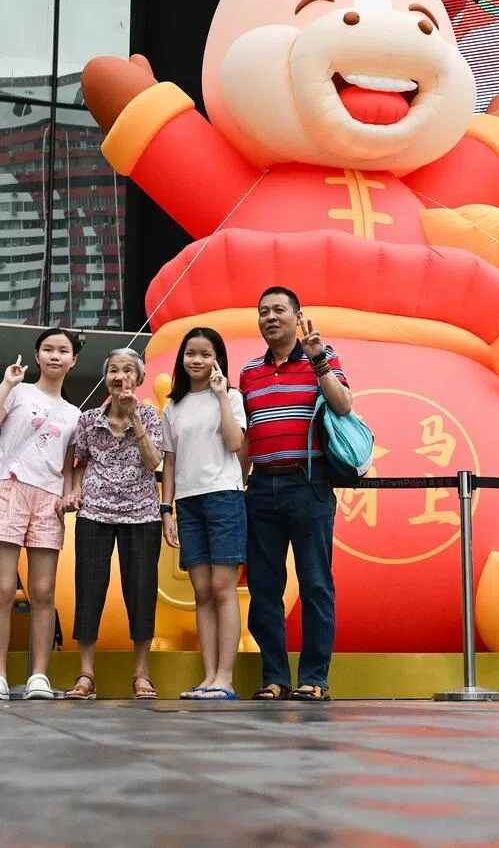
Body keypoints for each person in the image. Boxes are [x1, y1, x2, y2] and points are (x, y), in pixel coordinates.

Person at [240, 286, 352, 702]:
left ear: (297, 315)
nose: (270, 317)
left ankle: (315, 678)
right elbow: (248, 434)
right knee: (264, 588)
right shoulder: (249, 371)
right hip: (262, 487)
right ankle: (274, 677)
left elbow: (343, 405)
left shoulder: (321, 358)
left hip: (310, 483)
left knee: (316, 584)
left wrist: (319, 358)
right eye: (263, 311)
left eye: (278, 310)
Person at [0, 329, 81, 702]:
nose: (55, 356)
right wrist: (6, 384)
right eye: (48, 349)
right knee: (3, 589)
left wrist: (70, 493)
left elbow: (69, 465)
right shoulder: (18, 391)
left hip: (49, 499)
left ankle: (39, 675)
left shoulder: (74, 414)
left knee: (43, 592)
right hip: (7, 490)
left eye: (63, 351)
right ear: (37, 356)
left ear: (73, 360)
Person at [62, 348, 163, 701]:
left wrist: (134, 419)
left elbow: (153, 463)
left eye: (128, 371)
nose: (121, 378)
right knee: (89, 589)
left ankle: (141, 674)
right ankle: (86, 674)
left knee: (141, 591)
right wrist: (74, 491)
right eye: (114, 371)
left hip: (142, 513)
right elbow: (77, 461)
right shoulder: (88, 419)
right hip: (96, 512)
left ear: (139, 378)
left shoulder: (151, 416)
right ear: (106, 378)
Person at [160, 328, 247, 700]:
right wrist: (167, 509)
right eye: (190, 353)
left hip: (224, 496)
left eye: (205, 354)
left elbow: (234, 442)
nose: (196, 360)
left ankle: (225, 679)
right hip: (188, 503)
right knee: (201, 591)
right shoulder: (172, 406)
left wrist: (221, 397)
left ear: (218, 360)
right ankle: (208, 676)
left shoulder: (232, 396)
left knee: (224, 589)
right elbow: (169, 462)